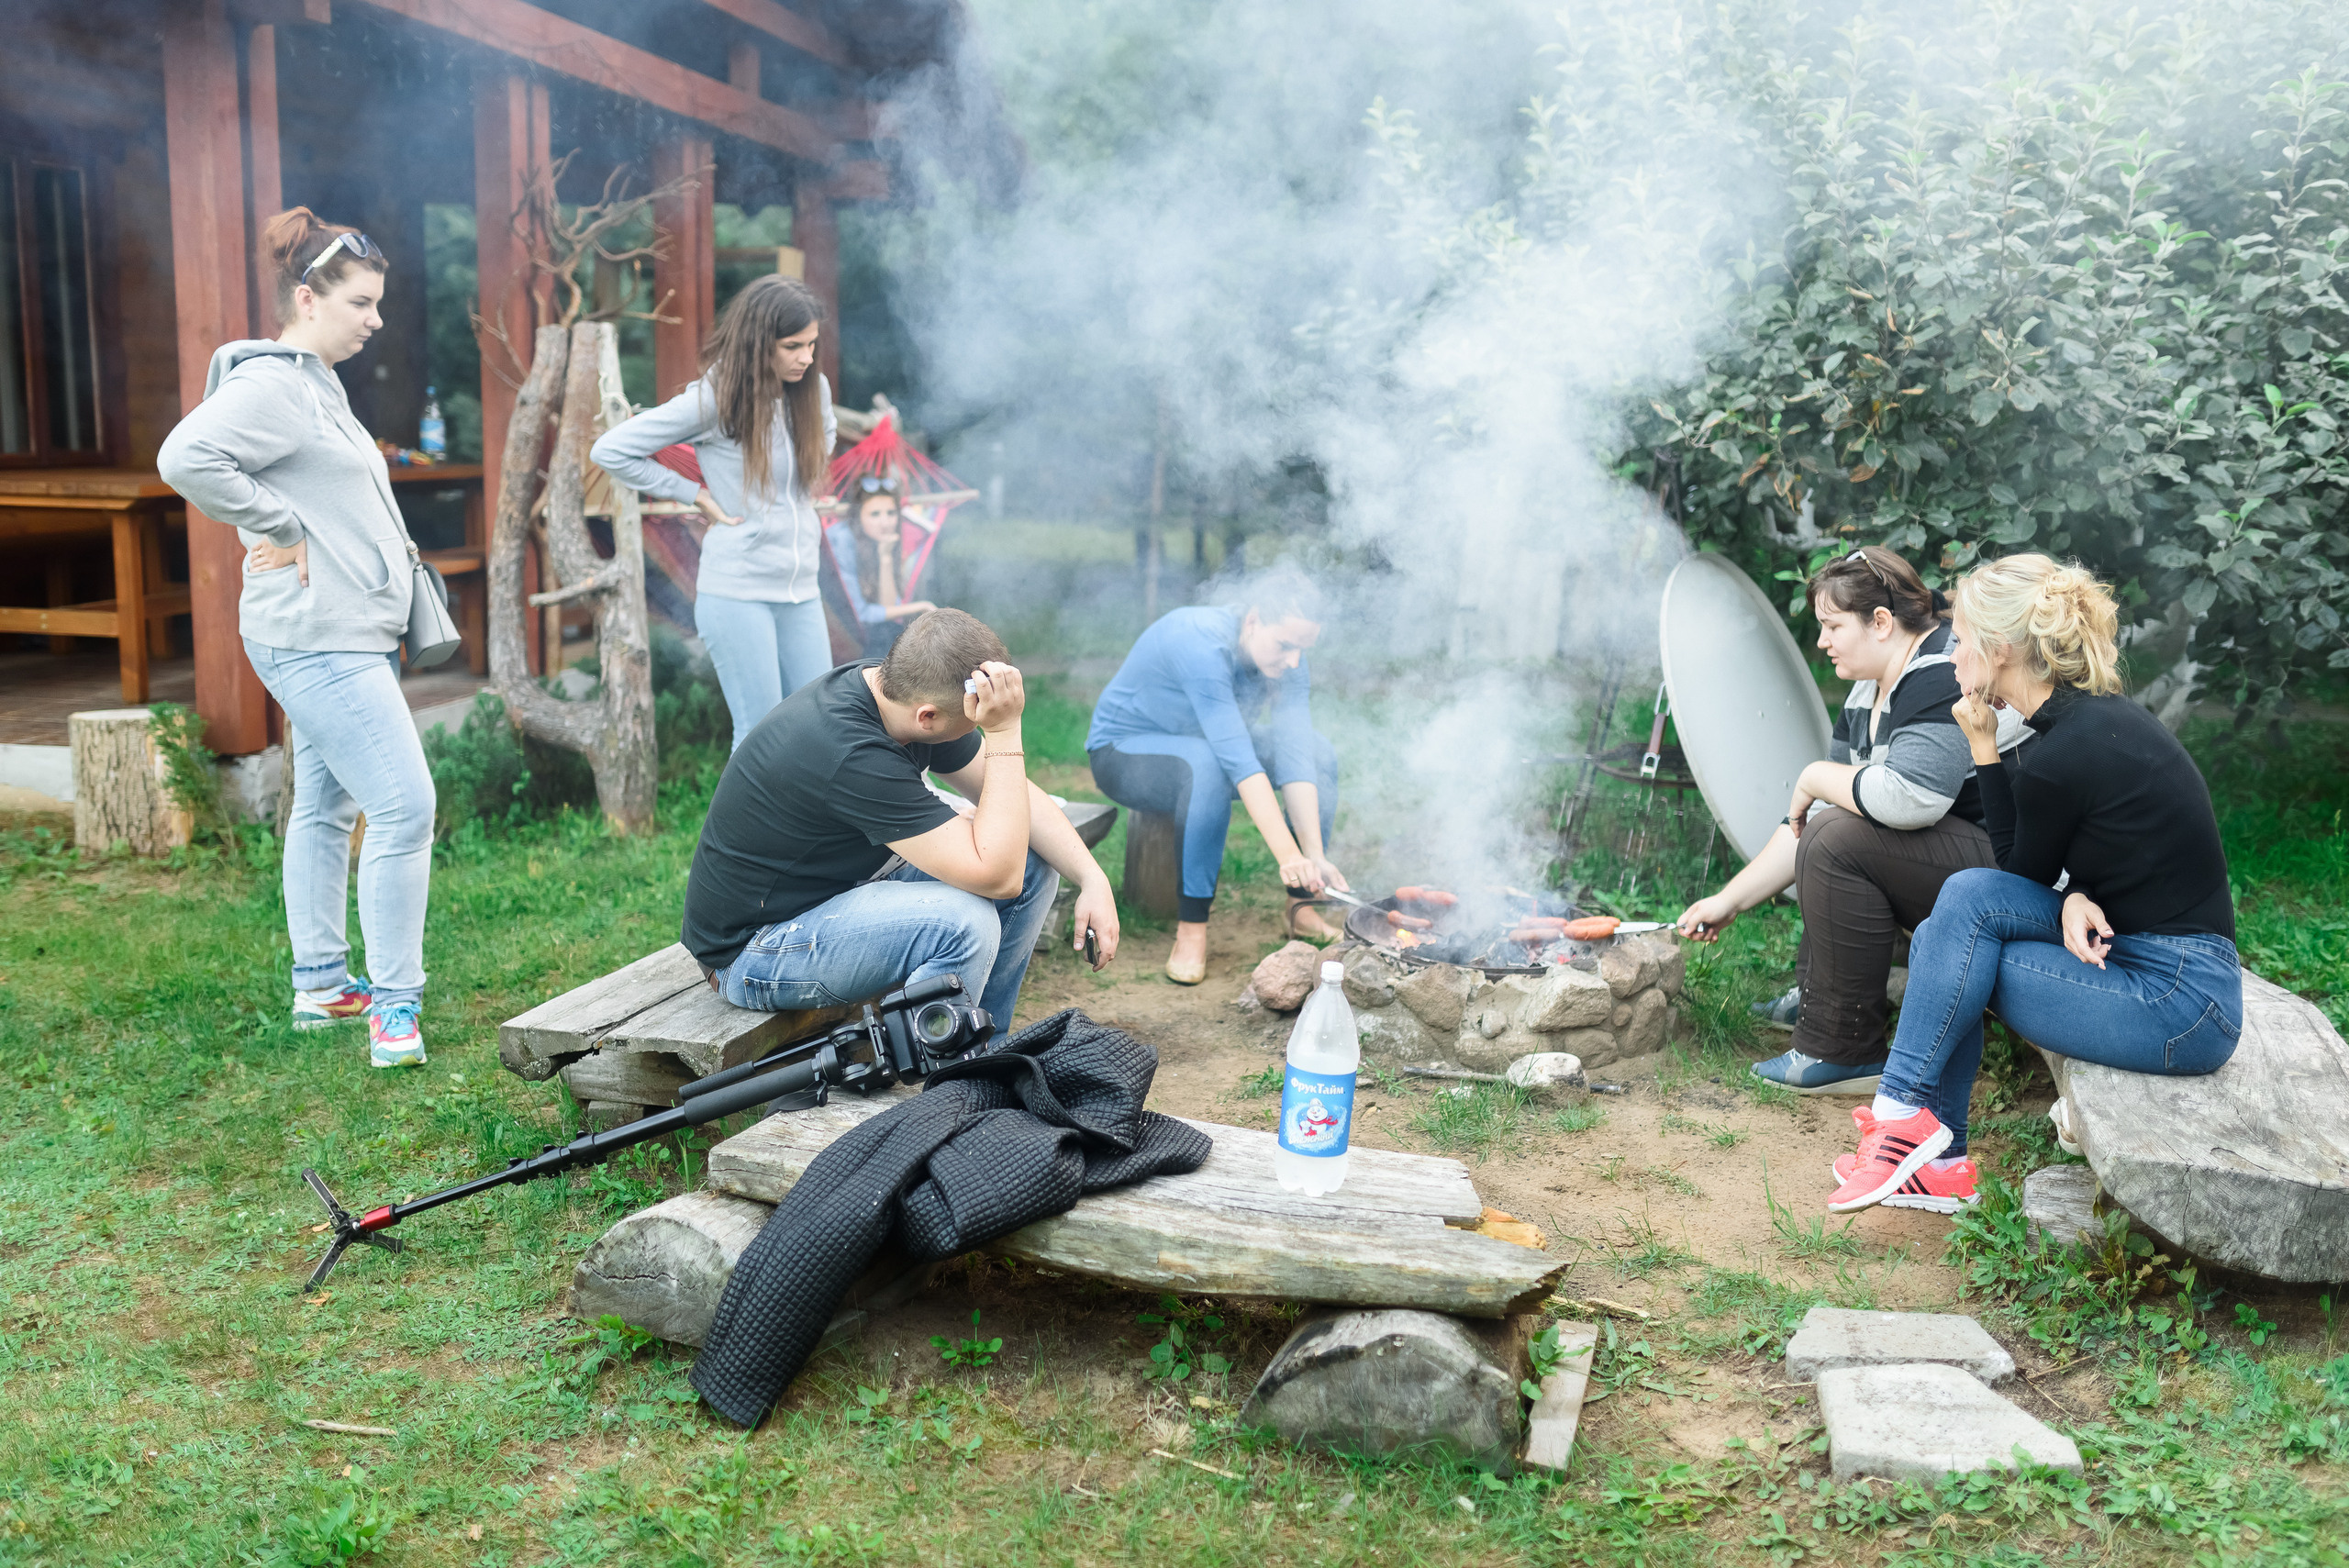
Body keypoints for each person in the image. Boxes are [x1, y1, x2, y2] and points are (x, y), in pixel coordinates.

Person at [1827, 554, 2241, 1215]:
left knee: (1956, 930)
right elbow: (2062, 866)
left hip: (2183, 1003)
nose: (1952, 655)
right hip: (2140, 957)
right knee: (1948, 931)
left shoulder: (2065, 752)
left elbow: (2018, 875)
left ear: (1998, 650)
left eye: (1959, 639)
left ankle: (1905, 1117)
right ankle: (1937, 1156)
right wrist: (2075, 894)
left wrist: (1985, 752)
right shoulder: (2085, 725)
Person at [157, 208, 435, 1068]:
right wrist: (280, 519)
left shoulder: (317, 382)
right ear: (308, 298)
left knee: (326, 806)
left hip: (341, 626)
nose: (376, 319)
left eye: (378, 302)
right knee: (404, 803)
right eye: (361, 302)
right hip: (315, 637)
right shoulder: (274, 385)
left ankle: (321, 983)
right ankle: (395, 1008)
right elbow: (184, 457)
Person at [1675, 547, 2028, 1118]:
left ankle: (1842, 1049)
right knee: (1835, 828)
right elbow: (1811, 820)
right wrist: (1728, 899)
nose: (1822, 642)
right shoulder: (1868, 690)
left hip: (2021, 872)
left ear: (1881, 623)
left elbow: (1911, 800)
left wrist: (1813, 775)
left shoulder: (1939, 673)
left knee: (1841, 838)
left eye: (1833, 626)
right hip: (1966, 856)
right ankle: (1822, 1001)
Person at [687, 608, 1120, 1026]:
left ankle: (981, 1054)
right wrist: (1005, 732)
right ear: (928, 717)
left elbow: (1015, 802)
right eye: (973, 725)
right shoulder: (851, 753)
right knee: (964, 926)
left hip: (842, 894)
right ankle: (942, 1079)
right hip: (756, 949)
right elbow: (996, 877)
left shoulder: (901, 692)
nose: (976, 734)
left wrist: (1092, 878)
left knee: (1033, 866)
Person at [592, 275, 837, 750]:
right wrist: (693, 492)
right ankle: (746, 827)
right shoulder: (713, 401)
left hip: (801, 589)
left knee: (824, 725)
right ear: (758, 343)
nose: (805, 358)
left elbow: (821, 442)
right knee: (761, 734)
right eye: (792, 346)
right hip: (737, 592)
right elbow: (612, 450)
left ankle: (812, 827)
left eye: (811, 345)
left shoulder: (813, 389)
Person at [1086, 569, 1342, 984]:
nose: (1293, 660)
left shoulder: (1289, 656)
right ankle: (1191, 931)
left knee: (1319, 752)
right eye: (1285, 645)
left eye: (1302, 649)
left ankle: (1302, 908)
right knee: (1208, 764)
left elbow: (1295, 753)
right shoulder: (1200, 642)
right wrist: (1287, 857)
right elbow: (1240, 764)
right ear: (1254, 620)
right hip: (1125, 751)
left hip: (1206, 743)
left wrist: (1312, 854)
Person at [825, 475, 937, 658]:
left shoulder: (886, 540)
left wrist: (885, 556)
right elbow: (860, 613)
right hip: (837, 624)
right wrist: (920, 606)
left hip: (868, 630)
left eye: (891, 513)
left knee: (890, 630)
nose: (885, 522)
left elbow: (888, 606)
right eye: (875, 514)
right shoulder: (842, 541)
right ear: (858, 516)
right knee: (887, 635)